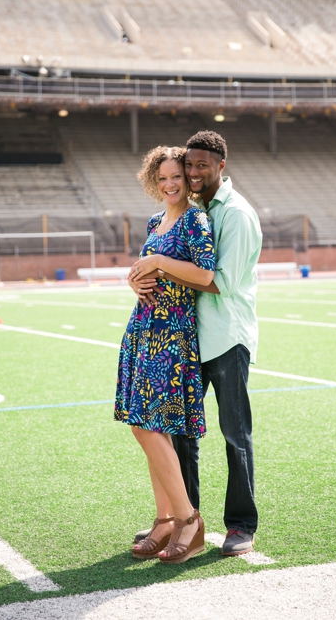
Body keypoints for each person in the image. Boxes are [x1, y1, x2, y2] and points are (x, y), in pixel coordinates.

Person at [131, 131, 263, 557]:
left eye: (201, 165)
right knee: (179, 432)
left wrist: (159, 268)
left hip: (226, 337)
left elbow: (219, 282)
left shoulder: (236, 215)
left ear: (221, 165)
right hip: (188, 338)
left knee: (234, 432)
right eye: (189, 165)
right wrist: (144, 279)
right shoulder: (194, 208)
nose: (192, 172)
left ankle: (241, 525)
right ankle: (185, 519)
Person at [116, 145, 216, 563]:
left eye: (177, 176)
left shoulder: (196, 219)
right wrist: (133, 278)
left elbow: (206, 274)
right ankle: (163, 521)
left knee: (147, 428)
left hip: (172, 333)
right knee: (145, 423)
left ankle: (188, 519)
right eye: (163, 179)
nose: (171, 184)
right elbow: (146, 269)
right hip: (144, 328)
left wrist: (156, 259)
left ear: (187, 179)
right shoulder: (157, 220)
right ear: (153, 181)